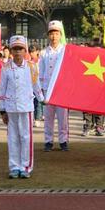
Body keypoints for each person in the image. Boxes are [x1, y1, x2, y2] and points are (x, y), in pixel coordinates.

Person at [0, 36, 43, 178]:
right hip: (11, 108)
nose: (18, 52)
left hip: (26, 107)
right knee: (13, 138)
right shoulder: (6, 68)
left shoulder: (31, 66)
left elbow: (36, 86)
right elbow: (2, 90)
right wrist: (2, 109)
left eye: (20, 49)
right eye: (15, 49)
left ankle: (26, 166)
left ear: (25, 50)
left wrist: (43, 99)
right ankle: (14, 167)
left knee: (26, 137)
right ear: (11, 51)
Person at [39, 20, 69, 151]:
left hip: (61, 89)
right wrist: (40, 89)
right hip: (47, 90)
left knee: (63, 118)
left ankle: (63, 142)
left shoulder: (66, 51)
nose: (54, 36)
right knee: (48, 118)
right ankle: (48, 141)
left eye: (56, 33)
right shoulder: (44, 53)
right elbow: (40, 71)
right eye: (51, 33)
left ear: (60, 35)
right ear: (48, 35)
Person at [28, 44, 43, 127]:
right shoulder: (28, 63)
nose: (31, 54)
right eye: (30, 52)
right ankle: (33, 118)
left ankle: (37, 118)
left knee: (39, 102)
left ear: (37, 51)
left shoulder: (41, 61)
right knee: (33, 102)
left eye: (33, 52)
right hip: (32, 85)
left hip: (40, 84)